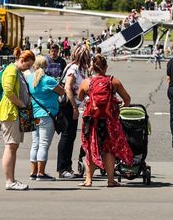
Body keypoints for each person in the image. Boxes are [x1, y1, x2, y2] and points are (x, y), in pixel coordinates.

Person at [78, 54, 133, 187]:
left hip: (92, 120)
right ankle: (110, 180)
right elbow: (127, 98)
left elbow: (80, 97)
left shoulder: (87, 82)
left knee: (91, 147)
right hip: (109, 120)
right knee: (109, 149)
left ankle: (88, 180)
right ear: (106, 67)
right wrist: (119, 107)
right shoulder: (113, 81)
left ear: (92, 68)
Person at [0, 50, 35, 191]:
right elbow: (8, 91)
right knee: (11, 145)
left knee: (13, 146)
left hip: (14, 112)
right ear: (22, 60)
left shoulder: (17, 71)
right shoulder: (12, 70)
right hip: (10, 113)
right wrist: (21, 104)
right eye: (28, 65)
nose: (28, 68)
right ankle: (10, 181)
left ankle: (11, 179)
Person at [57, 44, 90, 179]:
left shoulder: (78, 69)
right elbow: (68, 88)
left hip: (73, 105)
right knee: (67, 136)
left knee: (70, 136)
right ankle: (63, 168)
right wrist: (75, 108)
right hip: (69, 106)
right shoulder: (74, 69)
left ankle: (67, 167)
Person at [29, 55, 64, 182]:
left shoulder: (29, 79)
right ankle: (40, 173)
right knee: (44, 145)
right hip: (47, 115)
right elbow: (62, 92)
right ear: (46, 66)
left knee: (35, 144)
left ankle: (33, 172)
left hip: (34, 115)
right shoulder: (48, 80)